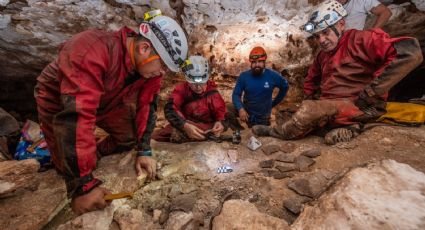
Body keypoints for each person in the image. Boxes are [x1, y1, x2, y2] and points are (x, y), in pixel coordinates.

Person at [34, 9, 188, 215]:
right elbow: (77, 116)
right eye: (163, 66)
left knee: (129, 138)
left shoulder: (149, 73)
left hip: (108, 97)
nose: (162, 73)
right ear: (144, 48)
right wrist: (83, 187)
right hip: (61, 98)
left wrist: (144, 150)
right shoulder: (91, 48)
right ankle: (79, 166)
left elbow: (147, 106)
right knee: (67, 165)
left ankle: (93, 152)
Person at [253, 0, 422, 144]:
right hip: (331, 106)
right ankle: (336, 127)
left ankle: (276, 133)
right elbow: (311, 79)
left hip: (358, 105)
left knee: (308, 111)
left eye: (325, 33)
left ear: (341, 25)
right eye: (317, 36)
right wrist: (310, 97)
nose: (321, 40)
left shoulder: (361, 39)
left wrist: (372, 92)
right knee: (287, 113)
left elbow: (410, 53)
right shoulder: (323, 55)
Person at [152, 55, 227, 143]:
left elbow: (222, 114)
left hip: (206, 127)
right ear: (187, 80)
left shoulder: (212, 92)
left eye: (202, 83)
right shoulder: (181, 90)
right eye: (194, 84)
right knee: (157, 135)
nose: (198, 88)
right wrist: (184, 125)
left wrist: (220, 123)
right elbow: (170, 110)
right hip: (185, 123)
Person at [231, 46, 289, 128]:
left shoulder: (272, 75)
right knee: (226, 109)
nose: (257, 64)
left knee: (257, 131)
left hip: (262, 118)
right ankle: (238, 129)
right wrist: (240, 109)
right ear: (251, 63)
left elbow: (285, 86)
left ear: (264, 62)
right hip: (246, 113)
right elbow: (236, 94)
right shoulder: (244, 76)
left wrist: (274, 103)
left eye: (260, 62)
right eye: (254, 62)